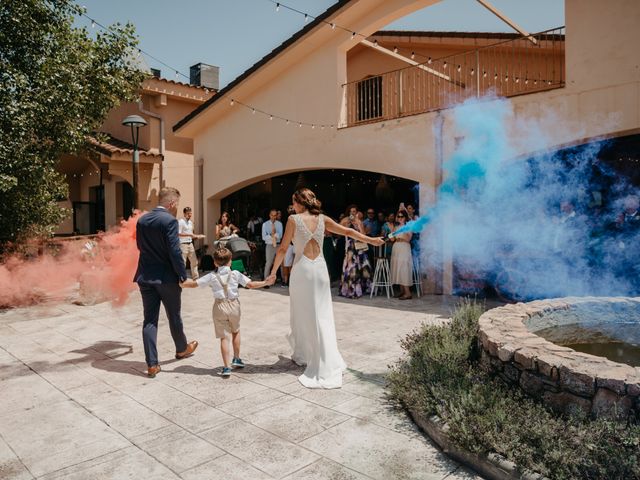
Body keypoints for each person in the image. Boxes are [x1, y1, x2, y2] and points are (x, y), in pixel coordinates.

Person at [267, 188, 383, 388]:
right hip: (320, 270)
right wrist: (371, 240)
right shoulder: (323, 219)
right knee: (322, 314)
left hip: (302, 270)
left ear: (300, 203)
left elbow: (284, 248)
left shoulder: (294, 220)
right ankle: (318, 355)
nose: (292, 206)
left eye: (293, 202)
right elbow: (347, 231)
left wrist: (272, 273)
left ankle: (309, 355)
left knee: (302, 314)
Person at [134, 187, 198, 378]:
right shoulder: (169, 221)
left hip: (145, 276)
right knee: (174, 316)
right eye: (176, 204)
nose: (176, 208)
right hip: (167, 278)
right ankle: (181, 349)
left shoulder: (142, 220)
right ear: (171, 204)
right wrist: (182, 275)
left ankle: (152, 364)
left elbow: (139, 246)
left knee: (149, 320)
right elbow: (174, 251)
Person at [181, 247, 269, 376]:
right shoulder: (236, 274)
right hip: (234, 305)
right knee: (236, 331)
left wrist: (180, 283)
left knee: (223, 338)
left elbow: (194, 284)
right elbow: (250, 285)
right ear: (230, 262)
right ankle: (237, 359)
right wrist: (266, 282)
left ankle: (226, 367)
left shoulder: (211, 276)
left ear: (215, 263)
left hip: (219, 306)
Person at [339, 205, 373, 298]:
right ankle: (350, 290)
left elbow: (363, 235)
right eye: (351, 211)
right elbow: (339, 229)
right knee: (350, 268)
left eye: (354, 211)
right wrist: (347, 221)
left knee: (362, 267)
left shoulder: (359, 222)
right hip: (350, 247)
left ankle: (361, 288)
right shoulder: (345, 221)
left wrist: (358, 223)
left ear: (357, 212)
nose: (352, 213)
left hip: (359, 247)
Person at [390, 209, 413, 300]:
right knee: (397, 268)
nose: (400, 218)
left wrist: (404, 229)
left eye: (401, 216)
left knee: (403, 268)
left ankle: (408, 293)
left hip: (404, 246)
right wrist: (392, 230)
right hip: (396, 247)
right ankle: (402, 291)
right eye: (398, 216)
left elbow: (408, 239)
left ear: (405, 217)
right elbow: (392, 239)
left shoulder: (408, 226)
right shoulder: (396, 227)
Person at [178, 207, 205, 279]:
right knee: (183, 263)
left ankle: (195, 278)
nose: (189, 214)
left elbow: (191, 235)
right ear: (184, 214)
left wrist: (198, 236)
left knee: (194, 261)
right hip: (183, 244)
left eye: (190, 213)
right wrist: (190, 235)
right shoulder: (181, 222)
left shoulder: (191, 223)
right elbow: (178, 234)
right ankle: (182, 278)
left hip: (190, 244)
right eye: (188, 213)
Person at [262, 209, 283, 281]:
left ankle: (283, 280)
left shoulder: (279, 224)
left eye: (275, 215)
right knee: (268, 263)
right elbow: (264, 237)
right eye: (272, 215)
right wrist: (272, 235)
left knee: (280, 263)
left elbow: (280, 235)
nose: (273, 217)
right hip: (269, 246)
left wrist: (271, 235)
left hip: (278, 245)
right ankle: (266, 281)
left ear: (276, 216)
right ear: (269, 215)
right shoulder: (265, 224)